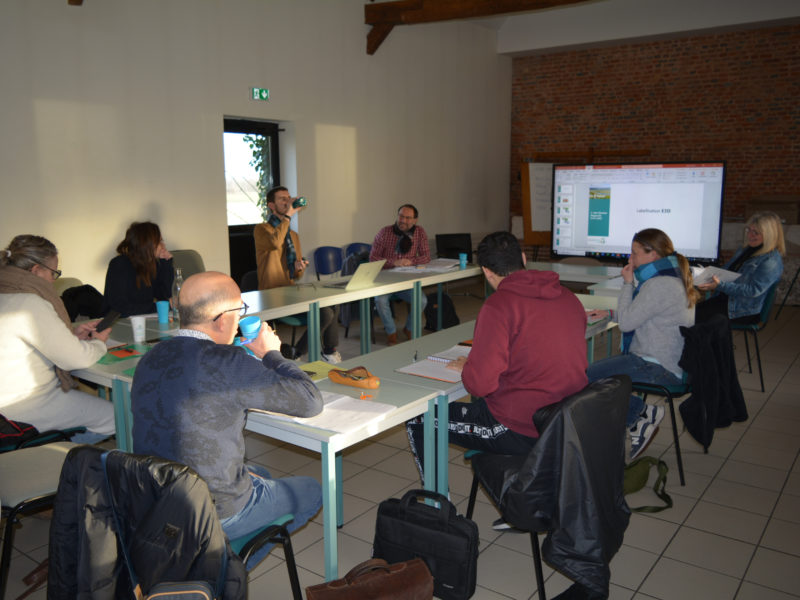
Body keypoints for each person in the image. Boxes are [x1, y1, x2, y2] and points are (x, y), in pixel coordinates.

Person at [131, 271, 324, 564]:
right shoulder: (228, 361)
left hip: (157, 501)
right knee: (312, 490)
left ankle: (210, 558)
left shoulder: (150, 357)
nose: (240, 318)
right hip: (212, 510)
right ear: (222, 320)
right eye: (239, 310)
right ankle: (224, 574)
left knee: (262, 473)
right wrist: (272, 354)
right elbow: (310, 401)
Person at [406, 232, 589, 524]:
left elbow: (479, 385)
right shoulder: (568, 297)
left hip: (519, 427)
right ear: (524, 259)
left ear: (486, 272)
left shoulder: (499, 306)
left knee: (419, 419)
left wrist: (471, 365)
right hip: (565, 421)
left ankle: (439, 515)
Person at [586, 229, 699, 459]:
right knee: (599, 378)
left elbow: (627, 324)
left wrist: (627, 284)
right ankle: (639, 416)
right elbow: (642, 314)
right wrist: (610, 313)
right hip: (668, 362)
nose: (630, 259)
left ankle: (641, 414)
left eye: (634, 253)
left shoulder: (659, 284)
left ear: (653, 254)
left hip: (656, 366)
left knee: (583, 378)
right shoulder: (672, 277)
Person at [0, 235, 115, 442]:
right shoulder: (29, 303)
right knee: (119, 417)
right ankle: (57, 451)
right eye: (54, 273)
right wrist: (98, 342)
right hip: (25, 406)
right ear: (36, 270)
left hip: (6, 404)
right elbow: (76, 359)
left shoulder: (7, 293)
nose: (54, 280)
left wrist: (71, 335)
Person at [254, 186, 342, 363]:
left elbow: (296, 274)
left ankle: (327, 351)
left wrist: (298, 267)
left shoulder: (293, 235)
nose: (287, 202)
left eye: (288, 198)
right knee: (325, 314)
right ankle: (298, 352)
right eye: (282, 199)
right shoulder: (262, 229)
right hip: (271, 293)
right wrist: (288, 215)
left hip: (290, 290)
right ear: (271, 205)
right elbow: (274, 242)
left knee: (332, 303)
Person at [696, 211, 785, 324]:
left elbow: (753, 291)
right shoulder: (744, 249)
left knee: (692, 318)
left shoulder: (771, 260)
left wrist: (720, 285)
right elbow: (726, 271)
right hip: (728, 301)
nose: (750, 235)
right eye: (749, 230)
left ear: (769, 236)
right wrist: (707, 274)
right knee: (688, 314)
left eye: (756, 233)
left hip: (743, 310)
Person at [369, 204, 430, 345]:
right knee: (380, 301)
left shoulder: (419, 232)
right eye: (401, 216)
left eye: (408, 218)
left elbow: (426, 256)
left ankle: (409, 328)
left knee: (422, 300)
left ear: (415, 220)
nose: (403, 220)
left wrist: (411, 261)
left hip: (406, 280)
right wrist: (393, 262)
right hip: (385, 280)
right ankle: (391, 332)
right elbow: (373, 258)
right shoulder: (385, 232)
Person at [103, 221, 174, 317]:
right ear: (147, 243)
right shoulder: (119, 264)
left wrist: (166, 264)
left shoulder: (150, 265)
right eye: (159, 242)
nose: (163, 246)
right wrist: (159, 307)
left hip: (142, 319)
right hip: (118, 321)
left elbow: (166, 296)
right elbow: (119, 308)